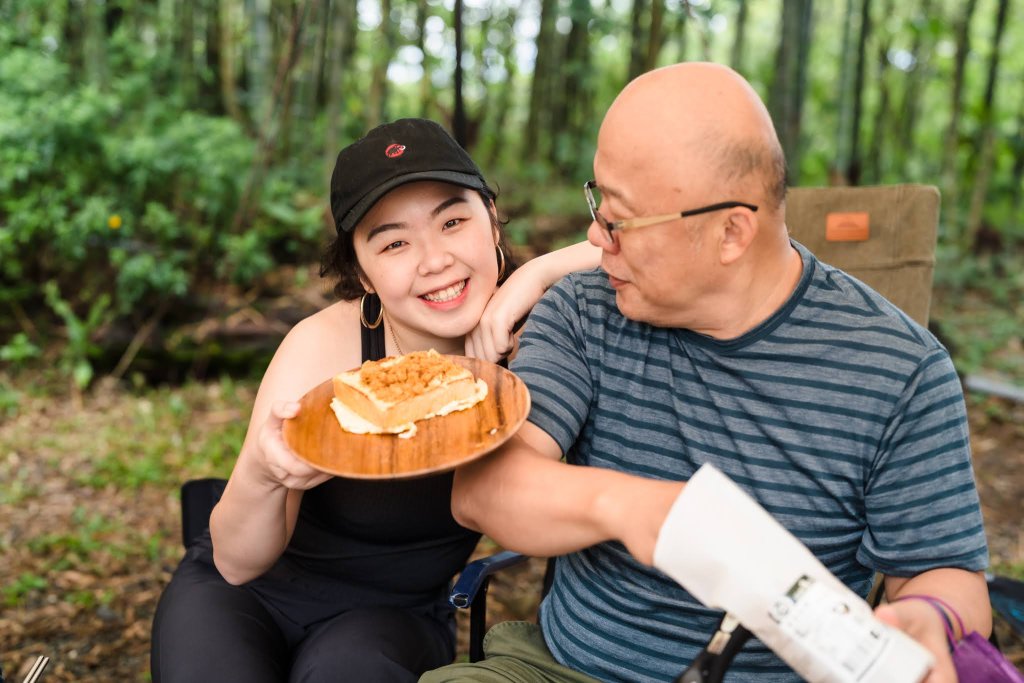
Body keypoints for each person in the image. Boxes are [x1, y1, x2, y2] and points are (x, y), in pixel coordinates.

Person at [422, 63, 991, 683]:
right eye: (598, 202)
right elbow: (484, 491)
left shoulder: (900, 369)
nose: (594, 235)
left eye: (618, 219)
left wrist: (933, 614)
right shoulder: (586, 308)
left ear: (731, 232)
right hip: (565, 671)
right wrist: (643, 510)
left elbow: (946, 575)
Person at [150, 118, 600, 683]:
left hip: (394, 616)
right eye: (393, 243)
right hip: (250, 594)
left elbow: (654, 246)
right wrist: (266, 474)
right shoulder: (327, 345)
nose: (434, 259)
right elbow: (237, 564)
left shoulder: (545, 329)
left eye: (454, 221)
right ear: (361, 273)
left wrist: (539, 272)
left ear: (491, 219)